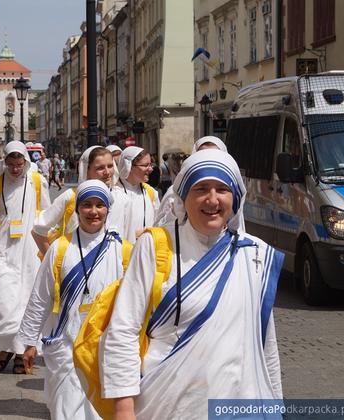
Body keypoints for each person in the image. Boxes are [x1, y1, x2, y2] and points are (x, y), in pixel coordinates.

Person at [100, 149, 284, 419]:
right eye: (201, 188)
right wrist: (124, 408)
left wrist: (275, 403)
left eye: (222, 189)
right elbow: (123, 330)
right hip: (169, 404)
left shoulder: (255, 254)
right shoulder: (154, 245)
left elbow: (265, 342)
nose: (212, 199)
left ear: (235, 197)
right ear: (183, 196)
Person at [19, 180, 130, 420]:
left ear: (107, 210)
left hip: (105, 349)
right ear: (78, 209)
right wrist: (29, 342)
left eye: (100, 205)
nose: (93, 211)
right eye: (87, 205)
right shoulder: (59, 248)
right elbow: (41, 297)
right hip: (65, 347)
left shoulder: (122, 250)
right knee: (67, 411)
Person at [0, 141, 51, 374]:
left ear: (26, 163)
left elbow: (48, 218)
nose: (16, 169)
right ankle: (8, 349)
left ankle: (18, 352)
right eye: (11, 164)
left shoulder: (38, 182)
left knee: (26, 304)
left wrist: (49, 250)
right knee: (4, 303)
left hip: (31, 252)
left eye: (20, 164)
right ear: (5, 163)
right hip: (3, 251)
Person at [32, 146, 129, 256]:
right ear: (86, 169)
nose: (107, 172)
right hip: (76, 265)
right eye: (100, 168)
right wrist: (52, 261)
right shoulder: (71, 196)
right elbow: (38, 229)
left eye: (110, 166)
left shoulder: (122, 197)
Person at [155, 136, 228, 227]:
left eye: (215, 155)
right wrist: (174, 213)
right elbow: (159, 227)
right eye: (203, 155)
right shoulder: (175, 192)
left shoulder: (231, 193)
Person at [116, 146, 160, 243]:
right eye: (145, 165)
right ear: (130, 166)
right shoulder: (115, 193)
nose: (151, 169)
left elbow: (159, 222)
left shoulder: (151, 192)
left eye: (150, 164)